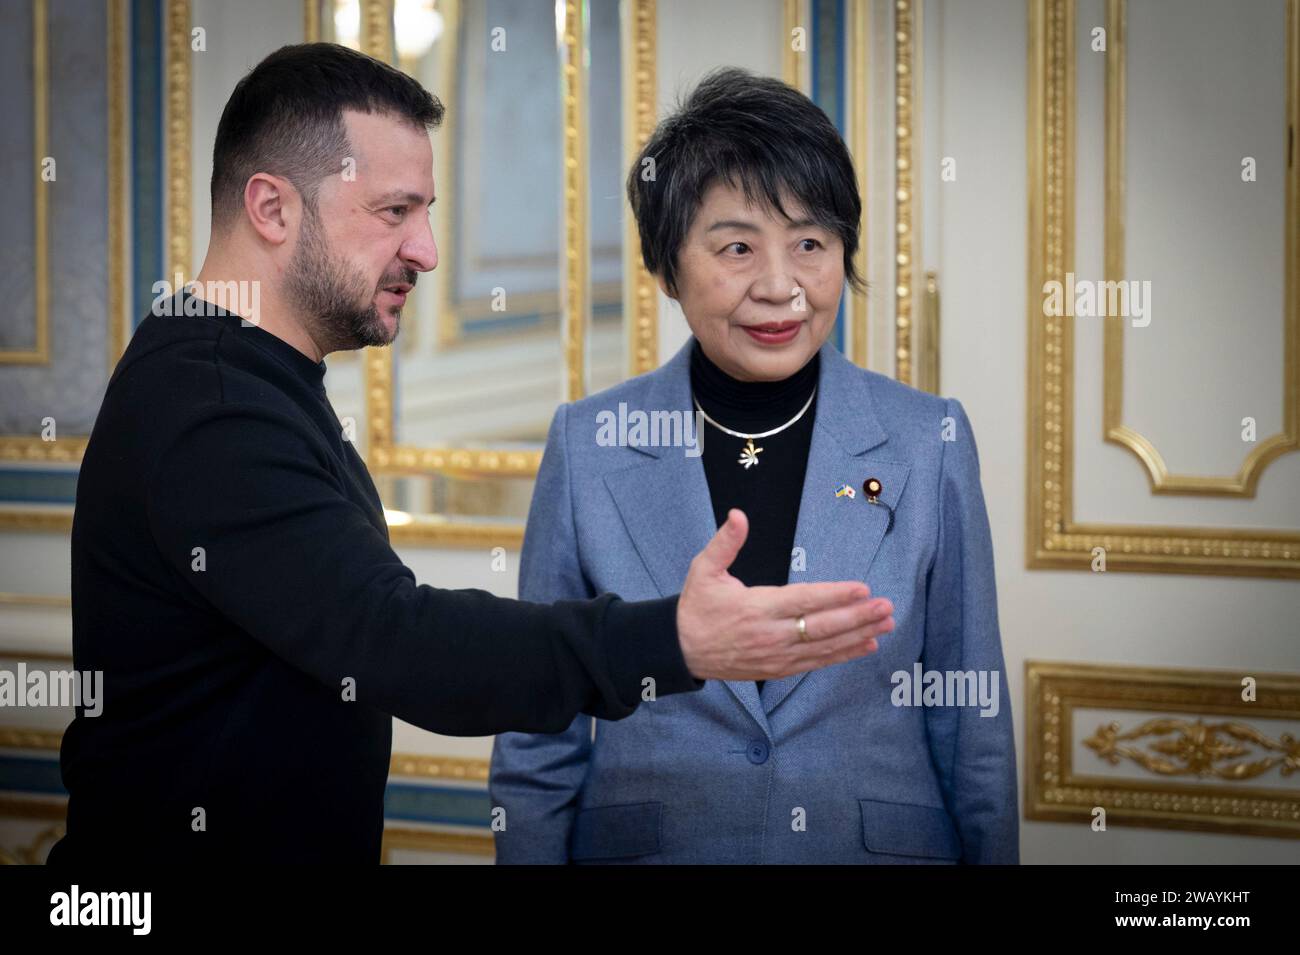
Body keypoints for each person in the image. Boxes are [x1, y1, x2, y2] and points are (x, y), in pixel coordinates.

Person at [48, 46, 894, 865]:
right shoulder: (214, 406)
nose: (427, 249)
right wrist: (673, 637)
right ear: (272, 209)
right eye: (394, 211)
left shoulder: (245, 377)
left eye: (428, 212)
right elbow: (400, 642)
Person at [490, 68, 1018, 864]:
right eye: (737, 246)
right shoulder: (589, 443)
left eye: (811, 243)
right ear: (668, 267)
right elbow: (540, 733)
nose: (781, 287)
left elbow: (971, 724)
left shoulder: (927, 439)